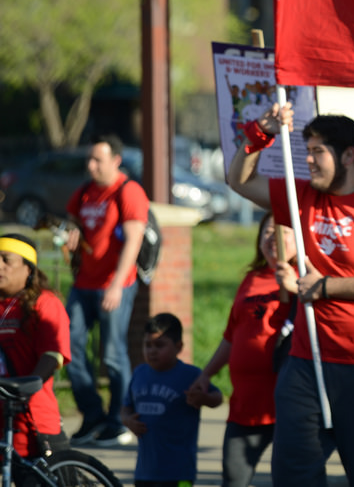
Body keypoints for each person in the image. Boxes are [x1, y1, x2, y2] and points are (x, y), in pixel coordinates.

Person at [226, 103, 354, 487]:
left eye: (317, 152)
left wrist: (326, 287)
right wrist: (257, 135)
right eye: (307, 150)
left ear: (348, 155)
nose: (308, 160)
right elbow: (239, 181)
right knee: (293, 473)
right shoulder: (301, 196)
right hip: (305, 358)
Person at [187, 213, 298, 487]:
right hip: (244, 407)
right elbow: (231, 336)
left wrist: (297, 287)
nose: (274, 238)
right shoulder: (251, 279)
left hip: (285, 407)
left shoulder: (305, 280)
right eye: (267, 231)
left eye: (283, 232)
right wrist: (207, 373)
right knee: (234, 480)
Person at [65, 133, 149, 447]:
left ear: (116, 160)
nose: (91, 165)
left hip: (115, 285)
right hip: (83, 283)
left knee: (112, 355)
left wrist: (116, 285)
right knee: (69, 347)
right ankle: (92, 417)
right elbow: (72, 217)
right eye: (89, 159)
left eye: (97, 160)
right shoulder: (86, 191)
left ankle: (119, 422)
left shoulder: (128, 191)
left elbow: (134, 238)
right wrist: (72, 228)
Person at [122, 312, 223, 487]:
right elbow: (126, 407)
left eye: (159, 345)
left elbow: (218, 397)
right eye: (148, 345)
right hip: (145, 471)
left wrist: (204, 398)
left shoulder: (190, 375)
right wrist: (128, 421)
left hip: (180, 471)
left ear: (179, 346)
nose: (152, 351)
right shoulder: (139, 373)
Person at [0, 233, 72, 462]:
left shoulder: (45, 303)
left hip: (32, 419)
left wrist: (22, 389)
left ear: (28, 269)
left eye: (6, 260)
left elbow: (53, 355)